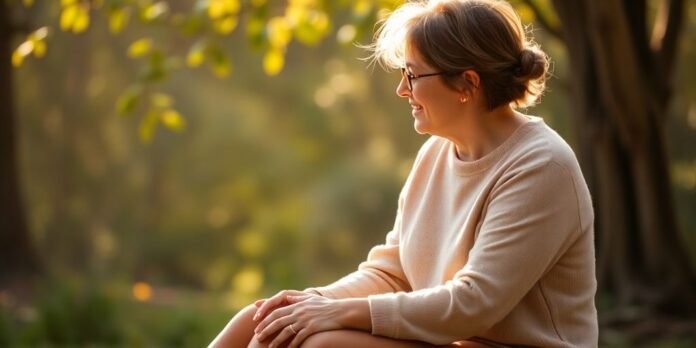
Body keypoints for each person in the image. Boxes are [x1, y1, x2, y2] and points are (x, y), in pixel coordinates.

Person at [209, 0, 598, 347]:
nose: (401, 89)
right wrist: (313, 302)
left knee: (322, 344)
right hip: (453, 341)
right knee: (260, 321)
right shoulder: (435, 154)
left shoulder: (542, 166)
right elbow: (392, 273)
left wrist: (336, 315)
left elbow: (472, 305)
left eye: (412, 75)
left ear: (467, 83)